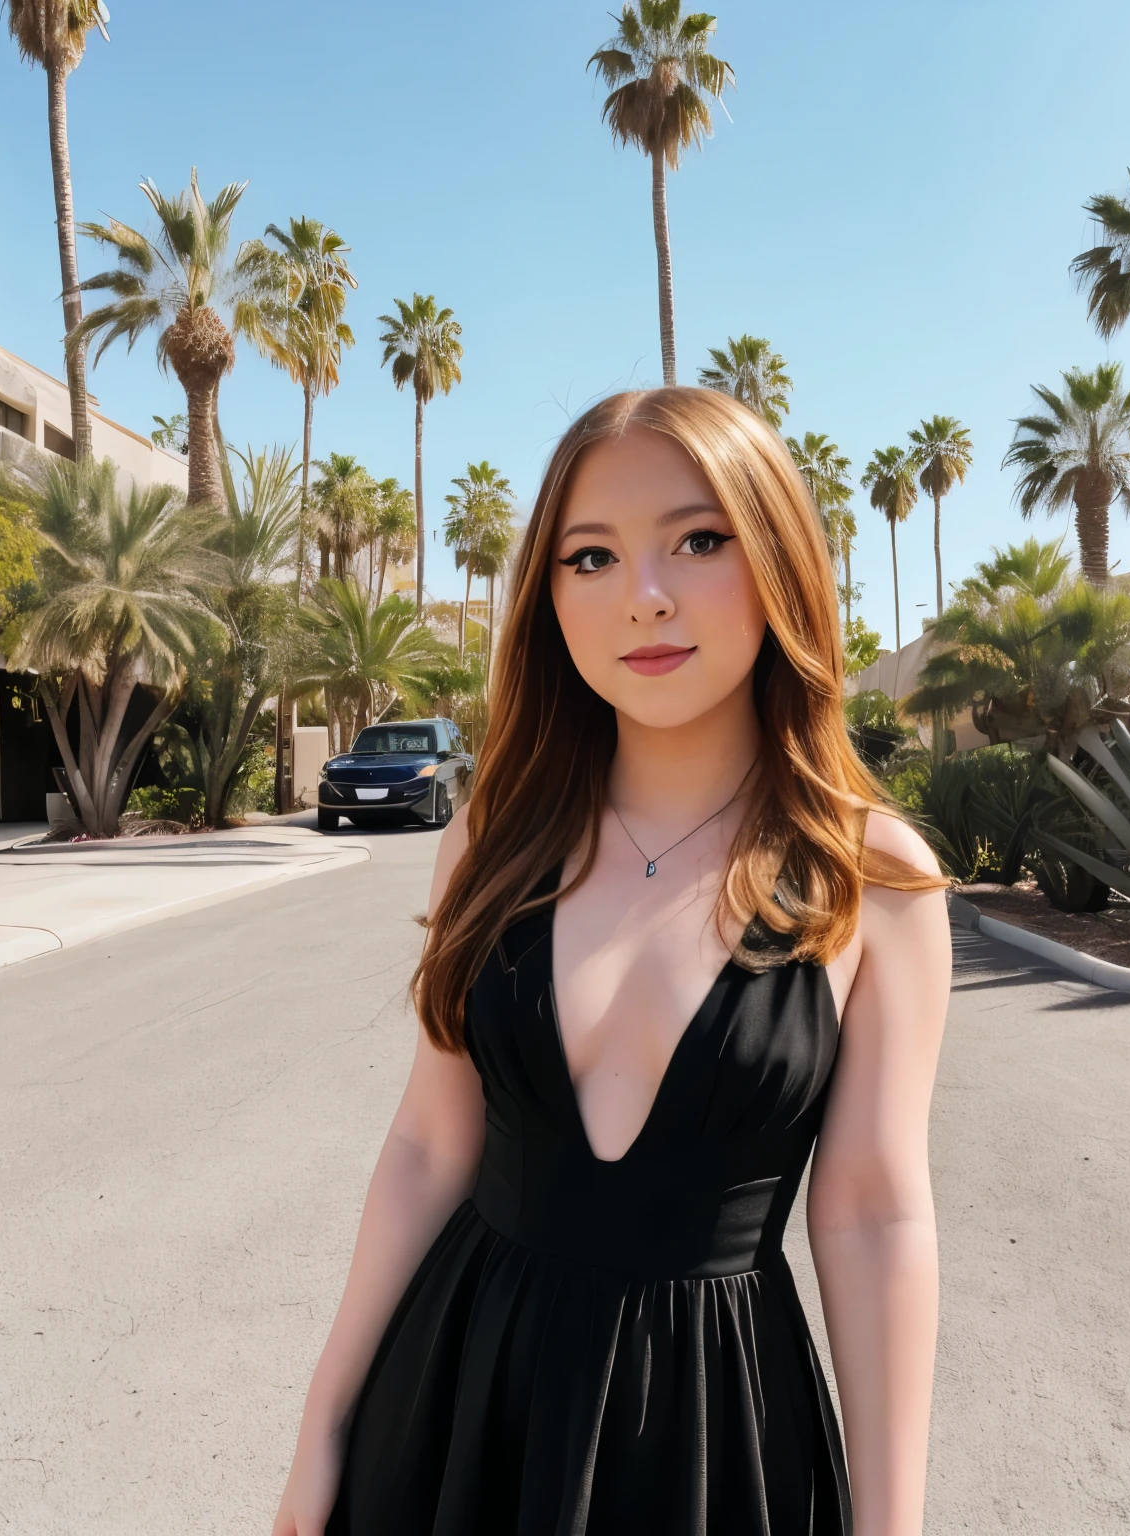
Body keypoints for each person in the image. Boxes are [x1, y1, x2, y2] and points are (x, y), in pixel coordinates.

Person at [273, 387, 952, 1535]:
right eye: (591, 557)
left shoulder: (872, 879)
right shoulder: (494, 838)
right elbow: (431, 1145)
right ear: (548, 597)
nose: (643, 596)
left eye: (698, 540)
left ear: (781, 559)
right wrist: (324, 1423)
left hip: (713, 1447)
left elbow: (875, 1213)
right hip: (456, 1411)